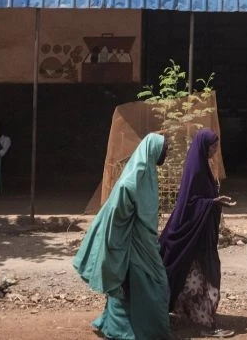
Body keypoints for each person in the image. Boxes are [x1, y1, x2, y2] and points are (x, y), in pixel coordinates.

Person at [73, 133, 171, 340]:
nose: (167, 152)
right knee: (152, 282)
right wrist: (122, 232)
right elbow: (120, 204)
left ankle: (122, 327)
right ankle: (140, 330)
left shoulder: (148, 173)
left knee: (136, 283)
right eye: (165, 148)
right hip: (133, 241)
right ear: (153, 150)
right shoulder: (135, 176)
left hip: (144, 241)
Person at [159, 129, 236, 338]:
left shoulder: (204, 168)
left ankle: (197, 317)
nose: (215, 150)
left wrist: (216, 202)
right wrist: (212, 203)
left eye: (216, 146)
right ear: (203, 147)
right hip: (189, 235)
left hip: (199, 236)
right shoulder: (196, 171)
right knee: (199, 275)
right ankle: (204, 323)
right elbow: (189, 204)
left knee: (198, 276)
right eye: (212, 146)